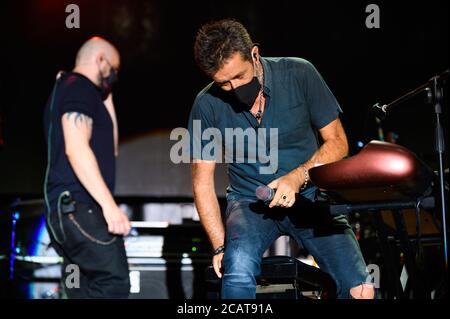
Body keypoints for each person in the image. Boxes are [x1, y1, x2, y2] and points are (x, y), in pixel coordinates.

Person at [188, 19, 374, 299]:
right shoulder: (206, 104)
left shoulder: (300, 72)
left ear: (254, 54)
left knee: (360, 289)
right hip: (249, 202)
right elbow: (202, 184)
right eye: (223, 84)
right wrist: (218, 246)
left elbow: (338, 142)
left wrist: (298, 176)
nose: (233, 88)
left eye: (239, 76)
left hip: (311, 196)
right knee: (235, 270)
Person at [43, 37, 131, 298]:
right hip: (81, 207)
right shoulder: (78, 87)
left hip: (69, 211)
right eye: (113, 69)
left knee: (80, 289)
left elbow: (110, 150)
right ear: (100, 60)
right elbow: (76, 148)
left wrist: (107, 94)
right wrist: (109, 206)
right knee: (113, 282)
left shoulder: (77, 90)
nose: (114, 76)